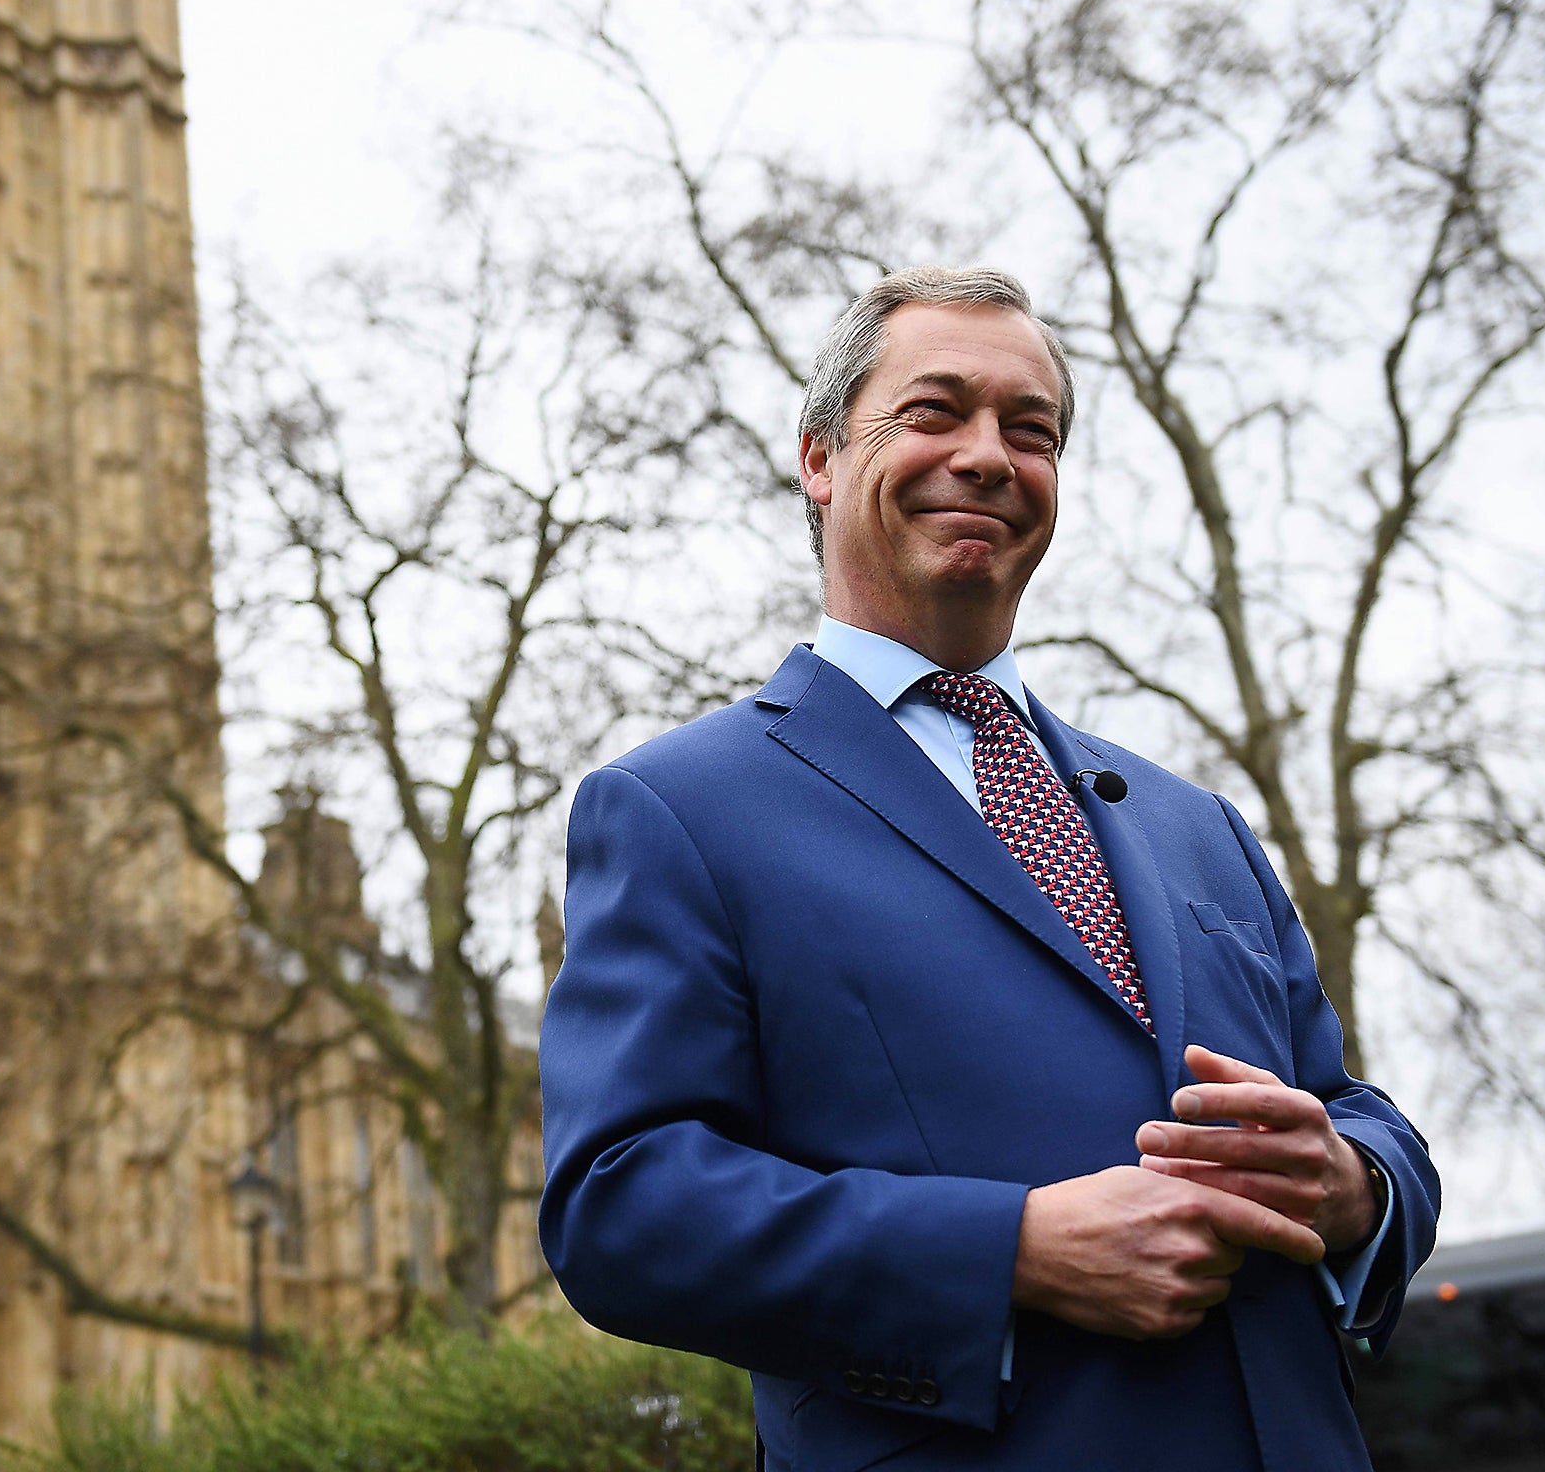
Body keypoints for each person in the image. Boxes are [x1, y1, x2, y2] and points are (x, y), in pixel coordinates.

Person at [537, 267, 1440, 1472]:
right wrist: (1006, 1249)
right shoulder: (679, 809)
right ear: (816, 458)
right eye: (931, 412)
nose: (986, 455)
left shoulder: (1197, 825)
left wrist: (1350, 1186)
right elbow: (620, 1205)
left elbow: (1356, 1118)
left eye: (1031, 430)